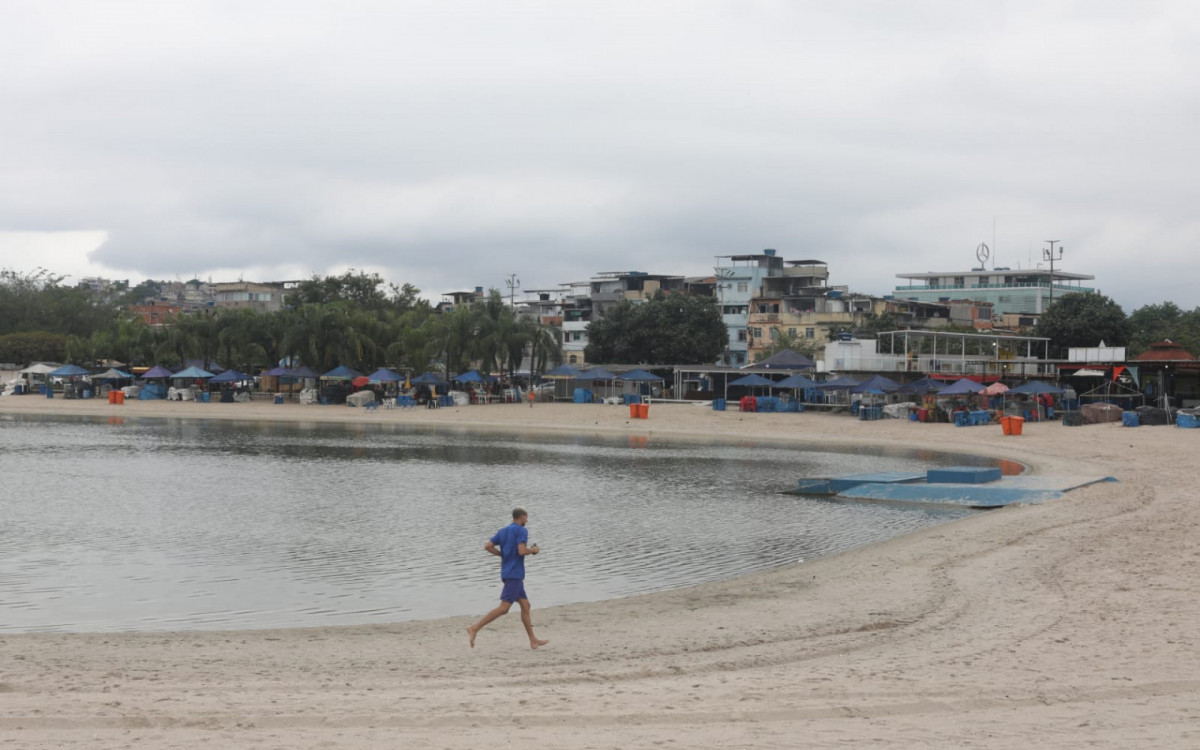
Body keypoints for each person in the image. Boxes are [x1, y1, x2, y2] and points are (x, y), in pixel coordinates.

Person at [467, 507, 548, 650]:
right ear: (521, 517)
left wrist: (501, 554)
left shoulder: (503, 531)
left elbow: (487, 546)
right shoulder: (521, 530)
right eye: (526, 518)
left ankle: (533, 640)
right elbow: (522, 551)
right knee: (504, 608)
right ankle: (475, 628)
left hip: (507, 573)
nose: (527, 521)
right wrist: (533, 551)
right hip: (514, 574)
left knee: (525, 606)